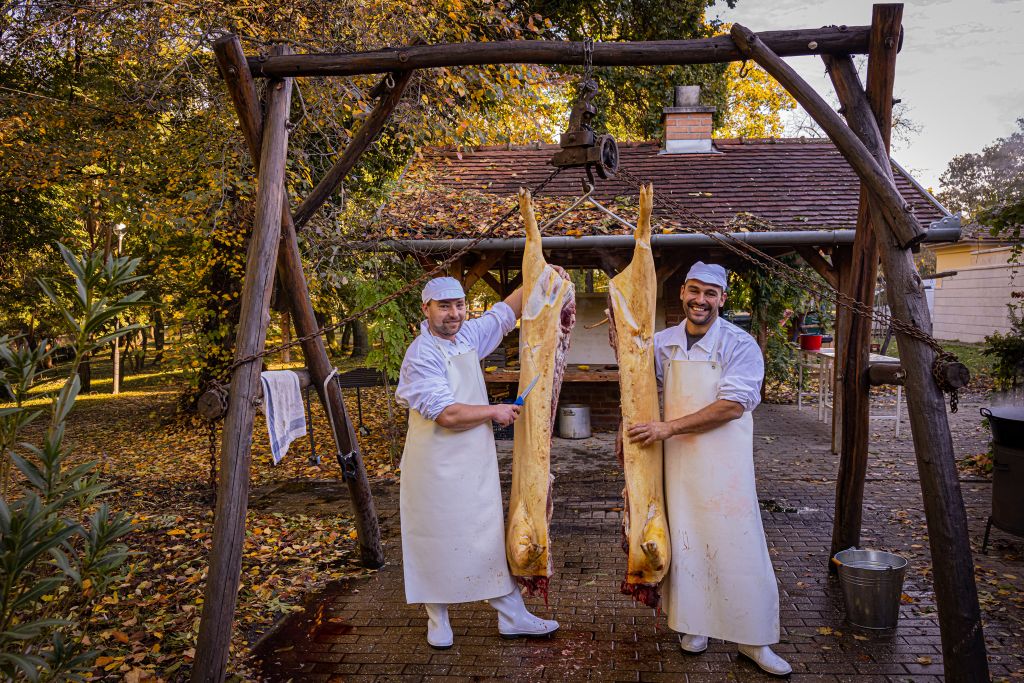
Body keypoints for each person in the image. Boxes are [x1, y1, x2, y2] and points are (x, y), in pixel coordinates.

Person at [626, 262, 792, 677]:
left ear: (722, 299)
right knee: (687, 544)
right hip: (678, 466)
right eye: (695, 291)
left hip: (725, 469)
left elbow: (732, 406)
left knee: (740, 548)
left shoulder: (739, 344)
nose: (701, 300)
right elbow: (637, 385)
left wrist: (668, 428)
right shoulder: (662, 343)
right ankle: (694, 625)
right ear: (683, 291)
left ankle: (754, 640)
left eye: (710, 294)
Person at [395, 276, 561, 649]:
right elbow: (447, 414)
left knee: (485, 535)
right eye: (444, 306)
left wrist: (542, 275)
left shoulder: (467, 336)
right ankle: (437, 618)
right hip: (433, 467)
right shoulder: (421, 354)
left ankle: (511, 615)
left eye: (459, 305)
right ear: (426, 309)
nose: (454, 314)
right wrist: (494, 411)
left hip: (473, 463)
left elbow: (505, 313)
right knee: (434, 538)